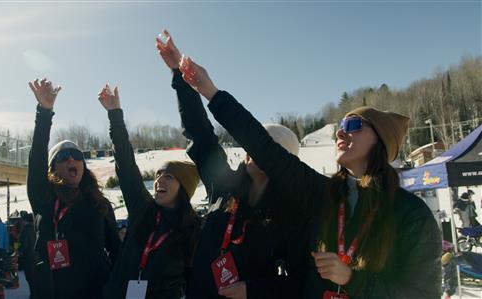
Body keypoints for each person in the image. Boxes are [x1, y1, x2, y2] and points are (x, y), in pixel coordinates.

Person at [176, 55, 442, 298]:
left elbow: (422, 293)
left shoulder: (411, 214)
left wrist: (352, 278)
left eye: (353, 125)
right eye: (340, 127)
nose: (340, 133)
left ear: (381, 142)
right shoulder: (321, 193)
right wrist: (209, 91)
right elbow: (265, 148)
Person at [156, 30, 310, 298]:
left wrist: (252, 290)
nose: (253, 152)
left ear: (280, 160)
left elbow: (299, 284)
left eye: (265, 148)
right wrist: (179, 76)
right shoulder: (224, 185)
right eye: (253, 146)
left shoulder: (287, 217)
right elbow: (201, 134)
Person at [99, 83, 201, 299]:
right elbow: (126, 168)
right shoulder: (142, 208)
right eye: (157, 176)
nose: (159, 181)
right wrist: (115, 116)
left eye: (168, 176)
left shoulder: (192, 228)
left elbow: (195, 278)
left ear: (183, 187)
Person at [27, 78, 120, 298]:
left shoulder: (100, 203)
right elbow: (37, 157)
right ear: (52, 168)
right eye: (62, 156)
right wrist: (44, 112)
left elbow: (117, 251)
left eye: (77, 155)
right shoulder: (44, 197)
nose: (71, 159)